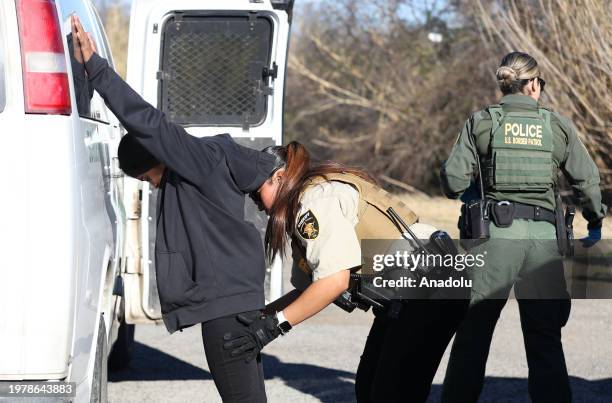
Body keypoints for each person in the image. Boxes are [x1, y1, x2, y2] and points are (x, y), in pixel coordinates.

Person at [71, 16, 276, 402]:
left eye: (148, 178)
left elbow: (149, 123)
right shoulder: (212, 166)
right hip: (238, 304)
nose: (152, 185)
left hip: (227, 313)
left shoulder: (197, 161)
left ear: (158, 159)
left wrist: (96, 70)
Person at [222, 142, 470, 402]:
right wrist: (263, 316)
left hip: (431, 288)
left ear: (279, 177)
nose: (256, 203)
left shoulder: (314, 201)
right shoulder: (303, 203)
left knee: (391, 393)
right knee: (369, 388)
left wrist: (273, 327)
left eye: (256, 193)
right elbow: (311, 289)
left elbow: (335, 281)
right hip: (409, 294)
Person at [439, 51, 607, 403]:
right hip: (544, 243)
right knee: (545, 337)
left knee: (473, 334)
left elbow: (453, 181)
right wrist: (594, 221)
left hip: (492, 241)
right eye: (540, 83)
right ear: (532, 84)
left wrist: (474, 188)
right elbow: (587, 183)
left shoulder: (482, 121)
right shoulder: (556, 125)